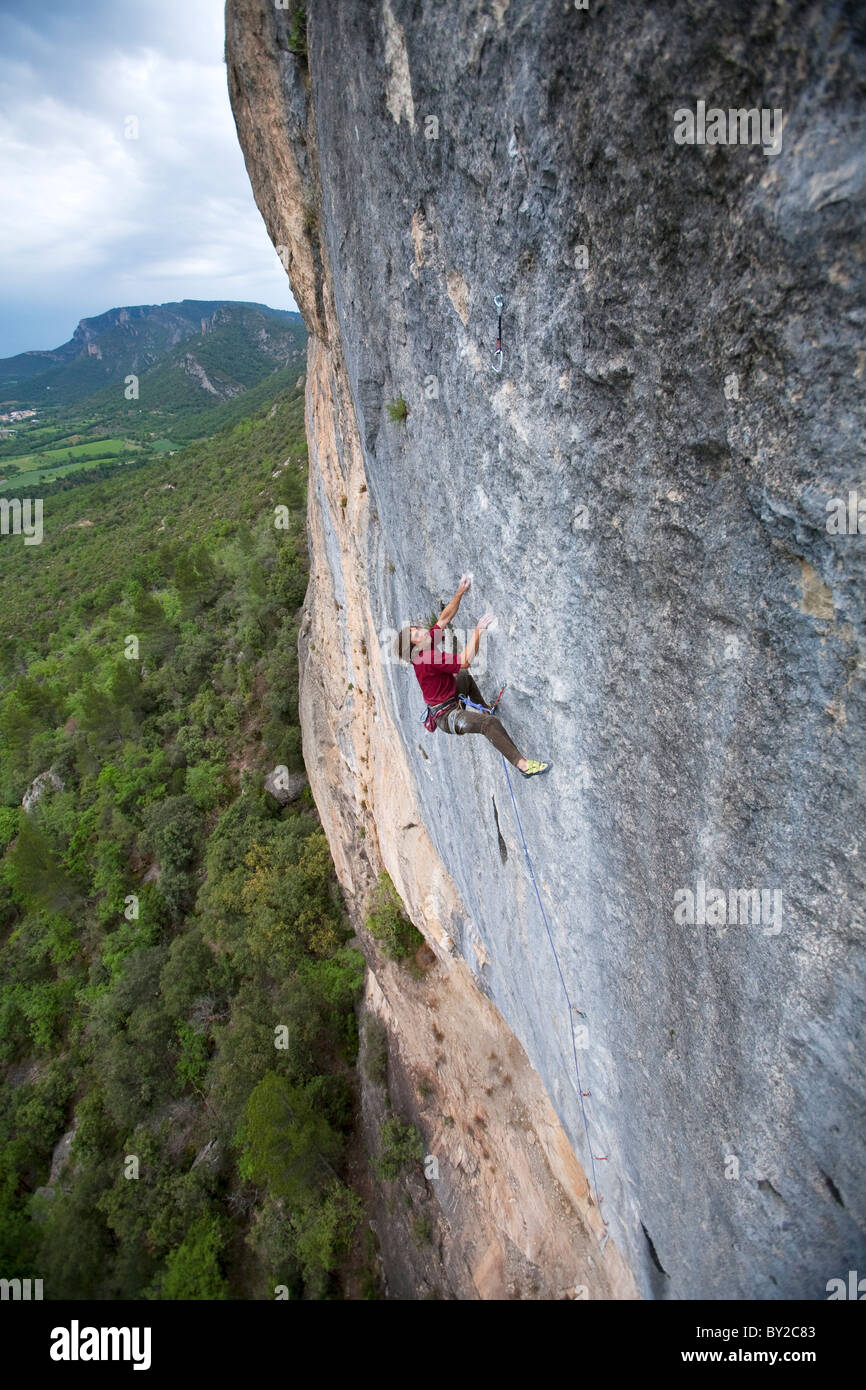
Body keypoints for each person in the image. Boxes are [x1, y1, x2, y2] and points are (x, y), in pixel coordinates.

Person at [393, 574, 551, 778]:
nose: (423, 632)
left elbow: (444, 619)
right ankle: (523, 766)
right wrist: (478, 631)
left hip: (448, 699)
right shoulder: (425, 657)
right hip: (447, 716)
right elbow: (464, 659)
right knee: (490, 725)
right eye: (416, 635)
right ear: (414, 645)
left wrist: (460, 591)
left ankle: (485, 710)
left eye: (418, 630)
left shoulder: (424, 646)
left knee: (463, 676)